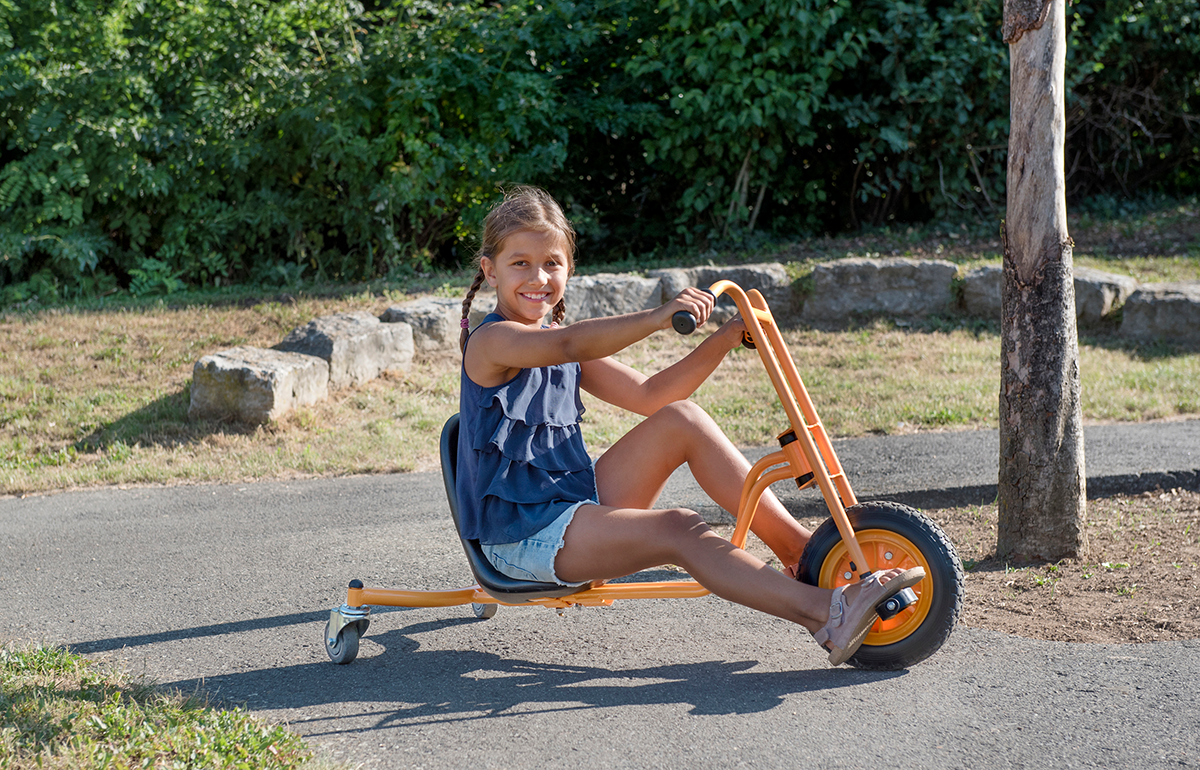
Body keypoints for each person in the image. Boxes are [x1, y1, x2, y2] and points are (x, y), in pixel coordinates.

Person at [456, 185, 923, 665]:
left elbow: (651, 395)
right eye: (520, 263)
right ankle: (827, 612)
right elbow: (570, 344)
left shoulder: (555, 340)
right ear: (490, 270)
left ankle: (806, 556)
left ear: (569, 269)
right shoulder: (493, 342)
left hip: (572, 506)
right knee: (680, 528)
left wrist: (726, 337)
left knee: (683, 418)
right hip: (522, 537)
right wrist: (660, 317)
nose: (539, 277)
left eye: (552, 263)